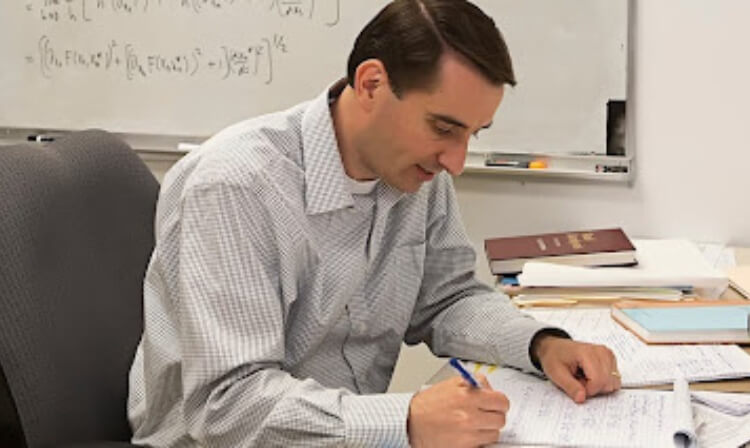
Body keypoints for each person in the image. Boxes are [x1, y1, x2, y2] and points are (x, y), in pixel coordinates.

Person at [127, 1, 621, 446]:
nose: (455, 159)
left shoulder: (416, 174)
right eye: (444, 128)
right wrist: (405, 420)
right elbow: (229, 405)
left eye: (473, 133)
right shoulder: (235, 187)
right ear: (371, 84)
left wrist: (541, 345)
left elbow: (448, 299)